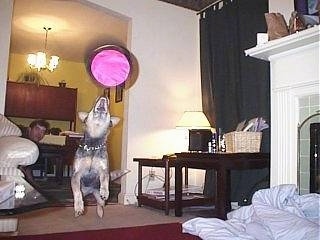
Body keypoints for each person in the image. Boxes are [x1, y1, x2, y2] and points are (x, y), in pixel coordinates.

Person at [19, 119, 50, 184]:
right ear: (29, 129)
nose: (39, 134)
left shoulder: (32, 144)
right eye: (37, 129)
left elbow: (27, 168)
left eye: (42, 131)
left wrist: (33, 184)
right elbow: (20, 168)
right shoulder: (23, 142)